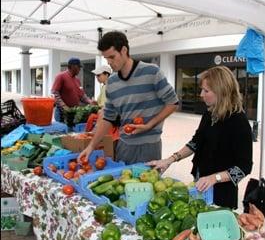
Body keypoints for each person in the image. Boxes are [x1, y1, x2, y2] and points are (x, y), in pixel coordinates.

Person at [147, 66, 253, 209]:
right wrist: (169, 160)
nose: (201, 95)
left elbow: (244, 167)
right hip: (200, 182)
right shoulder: (209, 113)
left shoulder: (239, 121)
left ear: (221, 92)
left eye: (206, 91)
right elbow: (195, 142)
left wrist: (214, 178)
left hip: (222, 193)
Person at [78, 31, 179, 164]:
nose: (109, 62)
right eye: (106, 58)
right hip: (124, 145)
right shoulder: (112, 82)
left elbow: (173, 103)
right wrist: (91, 146)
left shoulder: (152, 72)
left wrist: (149, 125)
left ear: (124, 50)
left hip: (149, 146)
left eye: (112, 57)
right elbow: (108, 118)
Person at [51, 57, 92, 122]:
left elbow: (82, 95)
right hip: (62, 113)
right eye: (79, 67)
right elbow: (55, 93)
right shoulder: (61, 76)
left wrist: (90, 102)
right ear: (73, 66)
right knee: (62, 131)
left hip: (73, 112)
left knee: (71, 131)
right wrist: (64, 106)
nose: (79, 69)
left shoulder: (77, 80)